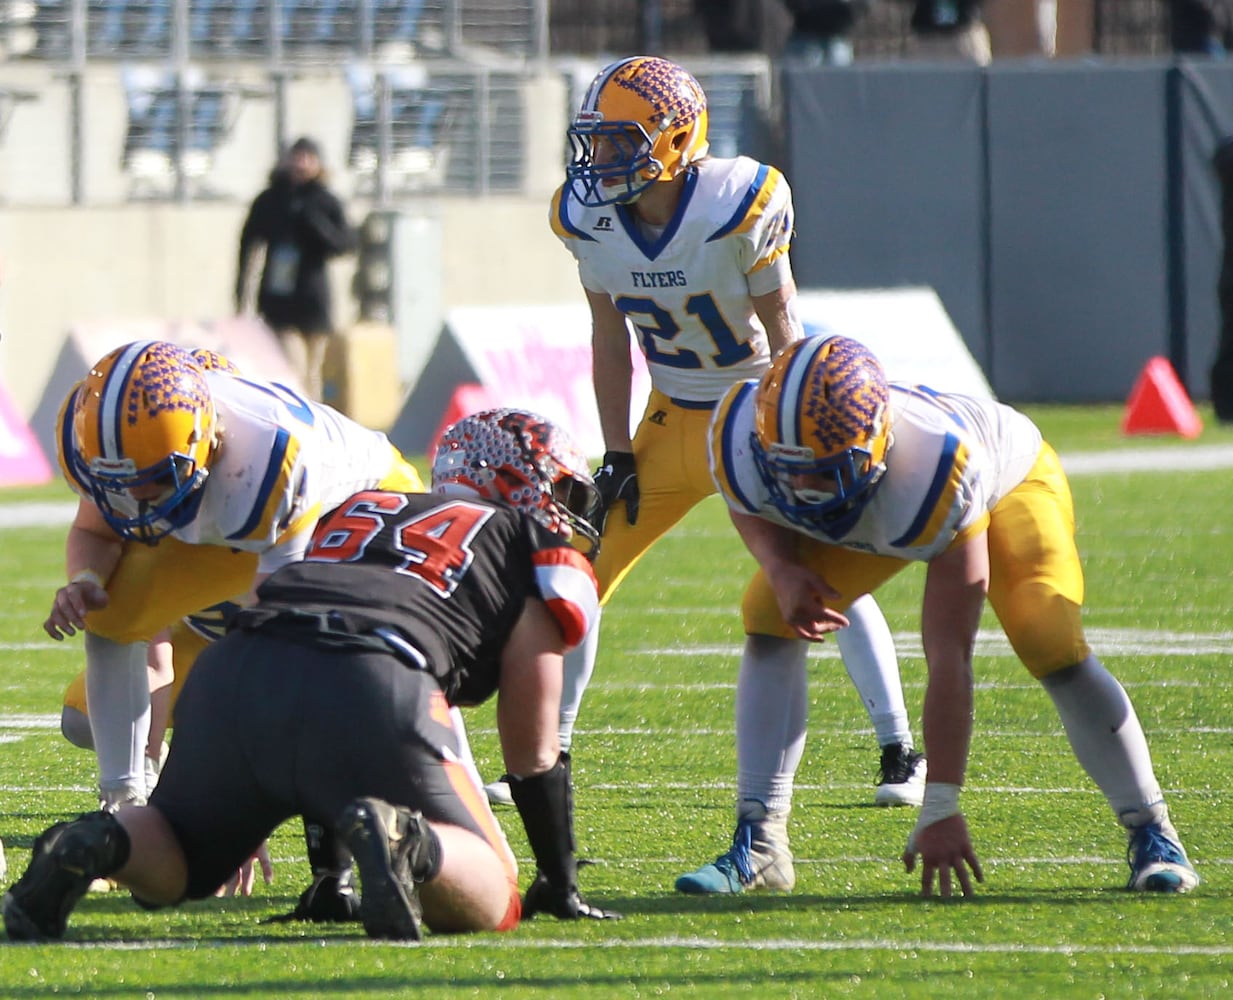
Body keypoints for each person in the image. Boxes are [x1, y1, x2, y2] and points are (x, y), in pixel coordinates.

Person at [3, 408, 621, 942]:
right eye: (564, 492)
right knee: (494, 891)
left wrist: (331, 879)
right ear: (521, 483)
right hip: (373, 675)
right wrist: (558, 881)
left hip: (236, 669)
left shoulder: (356, 504)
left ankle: (99, 841)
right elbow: (532, 753)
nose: (569, 510)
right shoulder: (531, 544)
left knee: (176, 858)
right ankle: (410, 843)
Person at [524, 56, 925, 866]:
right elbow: (608, 340)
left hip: (755, 411)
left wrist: (796, 430)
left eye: (619, 143)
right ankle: (548, 751)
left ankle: (898, 747)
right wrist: (613, 450)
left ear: (676, 140)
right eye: (594, 142)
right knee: (578, 569)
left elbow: (785, 329)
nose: (599, 160)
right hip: (670, 418)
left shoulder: (738, 201)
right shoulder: (586, 216)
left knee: (817, 572)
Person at [680, 334, 1199, 897]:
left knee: (1046, 639)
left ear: (875, 449)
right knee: (766, 614)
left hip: (1007, 480)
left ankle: (1154, 831)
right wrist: (780, 570)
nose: (801, 490)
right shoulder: (737, 427)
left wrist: (941, 805)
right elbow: (747, 500)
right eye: (786, 470)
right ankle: (760, 844)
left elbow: (949, 657)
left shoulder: (934, 472)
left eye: (822, 474)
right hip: (889, 500)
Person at [44, 339, 423, 815]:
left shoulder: (268, 462)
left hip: (360, 510)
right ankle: (122, 806)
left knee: (360, 681)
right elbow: (93, 529)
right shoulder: (119, 444)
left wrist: (239, 805)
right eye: (118, 487)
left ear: (207, 443)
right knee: (109, 623)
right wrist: (85, 579)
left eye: (154, 482)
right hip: (239, 516)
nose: (136, 502)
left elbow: (271, 642)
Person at [236, 136, 355, 401]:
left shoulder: (324, 201)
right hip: (278, 301)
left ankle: (314, 427)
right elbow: (248, 247)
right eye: (296, 157)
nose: (300, 164)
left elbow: (344, 244)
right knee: (294, 366)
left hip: (313, 299)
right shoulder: (270, 200)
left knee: (312, 371)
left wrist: (312, 221)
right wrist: (242, 296)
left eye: (307, 158)